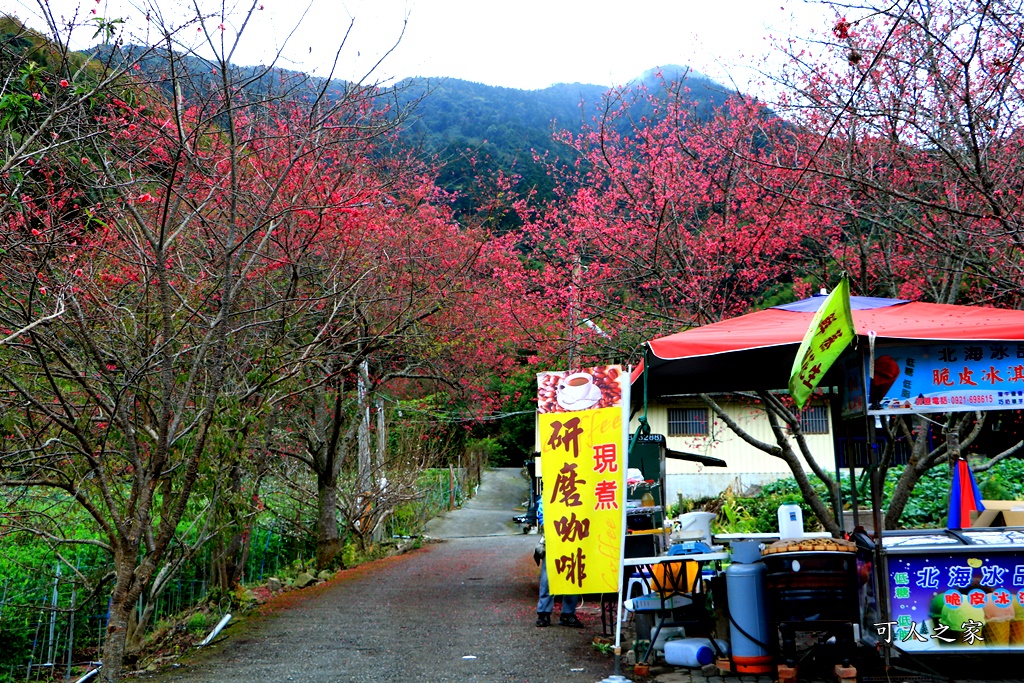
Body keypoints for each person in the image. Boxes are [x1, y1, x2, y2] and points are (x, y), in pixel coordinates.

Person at [534, 498, 583, 628]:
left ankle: (567, 613)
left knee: (572, 574)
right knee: (548, 576)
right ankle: (545, 613)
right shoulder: (550, 490)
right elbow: (541, 511)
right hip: (554, 537)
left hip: (575, 535)